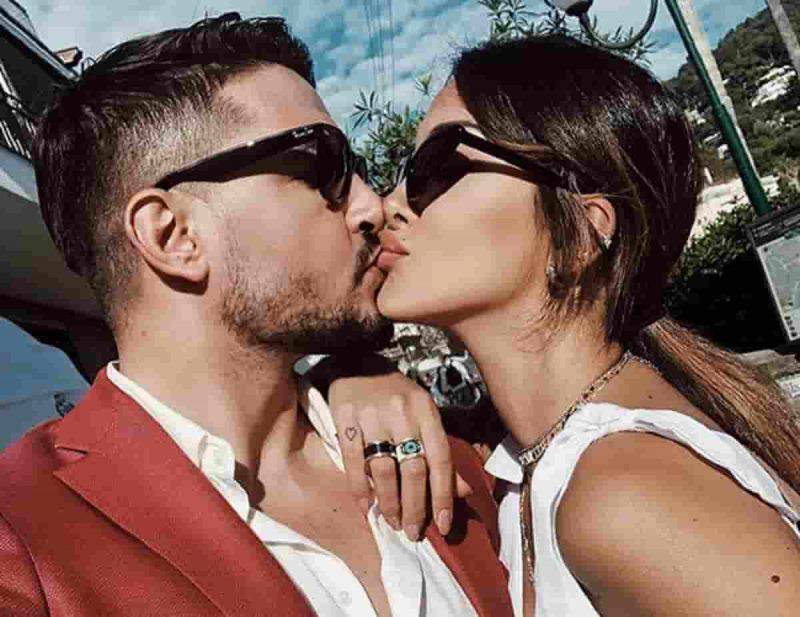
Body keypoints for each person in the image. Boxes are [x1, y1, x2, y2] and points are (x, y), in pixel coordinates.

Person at [0, 14, 513, 616]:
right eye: (321, 168)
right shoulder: (24, 543)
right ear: (172, 235)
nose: (372, 206)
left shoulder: (438, 455)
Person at [325, 34, 800, 616]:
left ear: (582, 230)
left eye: (440, 168)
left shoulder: (625, 491)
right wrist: (352, 372)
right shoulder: (527, 466)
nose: (389, 204)